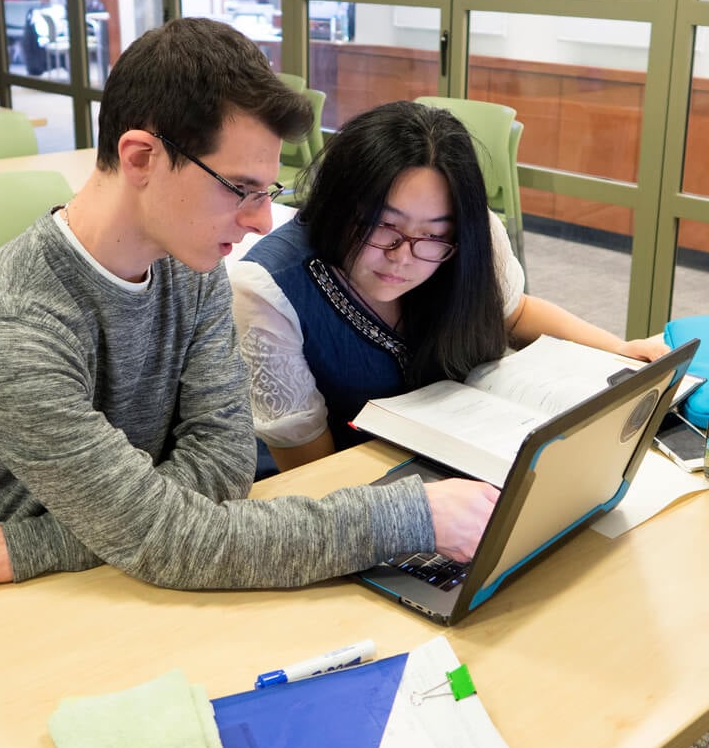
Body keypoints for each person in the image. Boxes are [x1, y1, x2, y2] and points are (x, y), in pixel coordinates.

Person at [0, 19, 499, 606]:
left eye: (269, 192)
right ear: (141, 158)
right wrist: (410, 516)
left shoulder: (189, 265)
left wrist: (44, 541)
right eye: (239, 188)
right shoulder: (11, 332)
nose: (261, 222)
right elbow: (170, 538)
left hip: (125, 580)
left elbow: (225, 464)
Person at [229, 100, 668, 474]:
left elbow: (513, 313)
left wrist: (617, 349)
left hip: (471, 462)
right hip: (353, 486)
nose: (404, 257)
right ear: (339, 204)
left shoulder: (469, 238)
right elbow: (311, 473)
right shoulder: (269, 289)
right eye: (384, 226)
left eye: (435, 234)